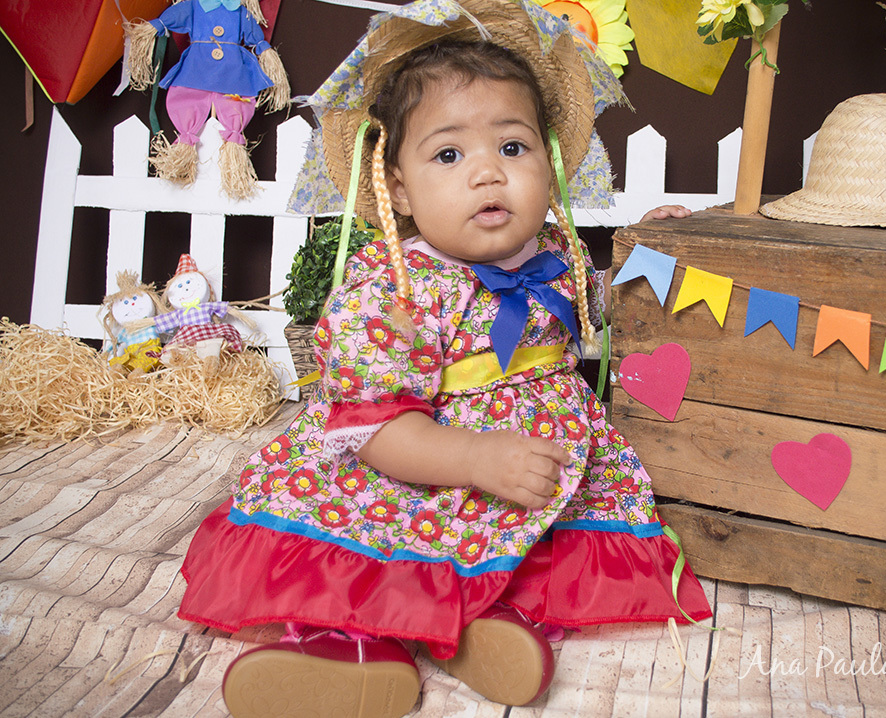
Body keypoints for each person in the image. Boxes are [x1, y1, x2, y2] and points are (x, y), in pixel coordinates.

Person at [176, 2, 707, 716]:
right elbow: (375, 426)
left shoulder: (558, 254)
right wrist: (475, 459)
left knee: (548, 534)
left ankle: (484, 623)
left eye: (512, 149)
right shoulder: (396, 289)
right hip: (416, 465)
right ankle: (348, 651)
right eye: (449, 155)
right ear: (398, 188)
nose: (488, 174)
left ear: (548, 165)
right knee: (371, 542)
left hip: (530, 466)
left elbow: (596, 312)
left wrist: (649, 260)